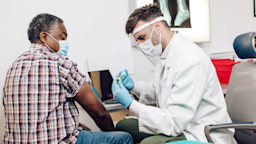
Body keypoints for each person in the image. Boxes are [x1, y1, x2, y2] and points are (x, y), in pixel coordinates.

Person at [112, 3, 237, 144]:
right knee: (123, 126)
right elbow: (164, 90)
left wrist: (130, 104)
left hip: (200, 132)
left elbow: (173, 122)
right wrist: (134, 86)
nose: (141, 45)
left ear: (157, 27)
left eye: (142, 37)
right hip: (181, 123)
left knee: (148, 143)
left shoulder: (190, 59)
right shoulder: (166, 54)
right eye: (137, 41)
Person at [2, 13, 133, 144]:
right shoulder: (61, 64)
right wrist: (112, 134)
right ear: (44, 37)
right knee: (123, 138)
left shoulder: (14, 67)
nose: (65, 44)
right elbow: (100, 114)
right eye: (62, 38)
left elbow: (38, 118)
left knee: (84, 130)